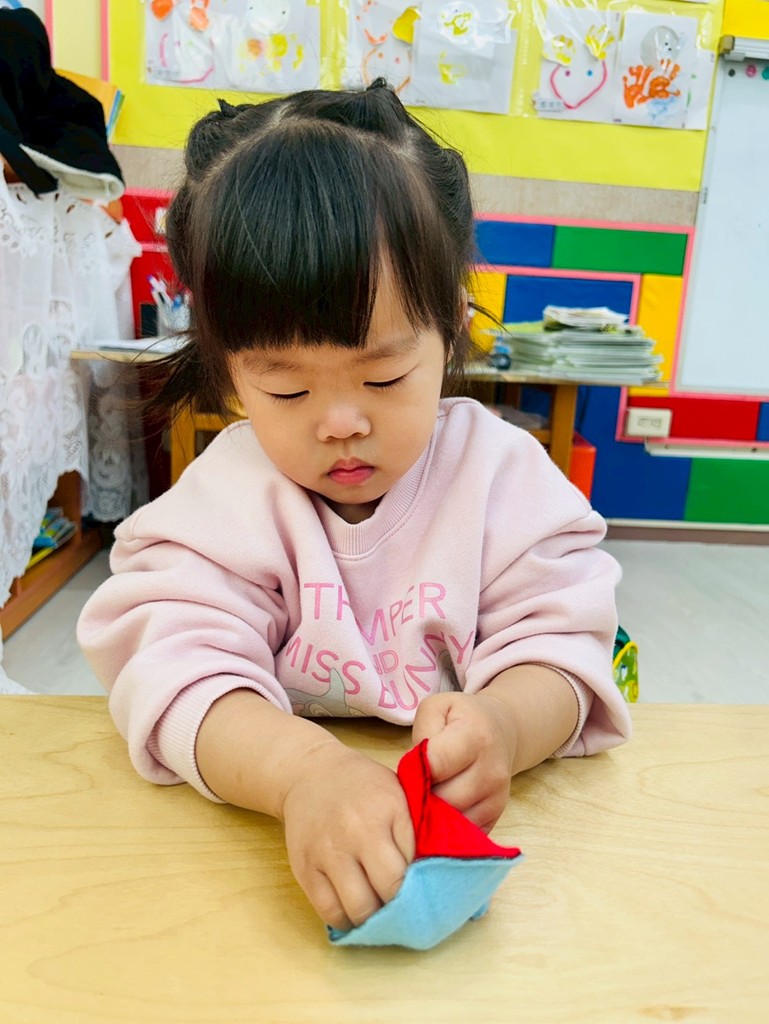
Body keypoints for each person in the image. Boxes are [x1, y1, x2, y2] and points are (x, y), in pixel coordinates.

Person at [77, 79, 632, 936]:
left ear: (449, 329)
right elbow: (173, 670)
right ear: (226, 369)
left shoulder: (498, 477)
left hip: (494, 844)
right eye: (286, 388)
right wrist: (301, 771)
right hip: (259, 831)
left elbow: (562, 646)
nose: (341, 422)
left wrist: (504, 724)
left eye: (383, 377)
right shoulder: (228, 497)